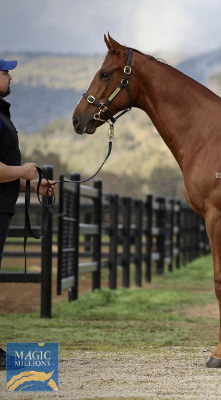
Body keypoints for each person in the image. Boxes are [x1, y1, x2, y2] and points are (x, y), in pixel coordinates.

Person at [0, 58, 55, 370]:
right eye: (5, 72)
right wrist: (22, 170)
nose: (10, 77)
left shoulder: (2, 114)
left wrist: (32, 184)